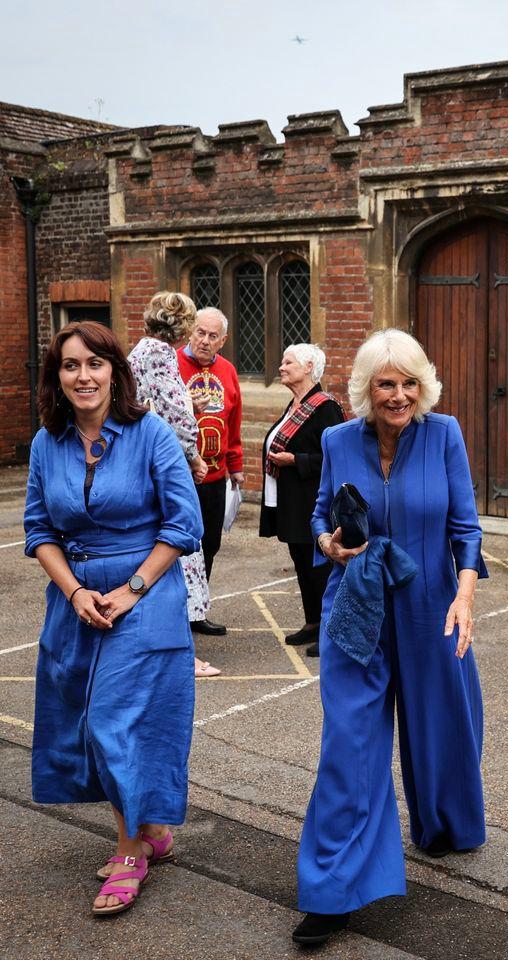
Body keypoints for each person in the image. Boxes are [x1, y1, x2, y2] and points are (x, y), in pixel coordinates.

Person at [293, 329, 487, 946]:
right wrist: (328, 543)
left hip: (434, 605)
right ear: (366, 389)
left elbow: (466, 526)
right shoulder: (336, 439)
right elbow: (320, 513)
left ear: (422, 387)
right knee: (349, 742)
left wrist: (464, 594)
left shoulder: (445, 433)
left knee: (441, 727)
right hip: (358, 610)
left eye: (409, 383)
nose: (399, 395)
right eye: (386, 384)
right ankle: (332, 889)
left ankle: (444, 825)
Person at [24, 321, 202, 916]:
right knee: (83, 720)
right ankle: (151, 827)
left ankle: (130, 852)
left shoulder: (150, 433)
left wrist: (130, 590)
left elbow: (184, 526)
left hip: (145, 596)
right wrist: (75, 591)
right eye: (71, 366)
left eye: (95, 364)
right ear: (57, 378)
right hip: (75, 599)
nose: (84, 376)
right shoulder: (46, 443)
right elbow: (39, 530)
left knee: (112, 720)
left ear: (115, 372)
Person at [129, 291, 220, 678]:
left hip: (140, 462)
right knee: (179, 549)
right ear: (183, 326)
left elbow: (154, 401)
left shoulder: (139, 350)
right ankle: (183, 654)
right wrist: (194, 456)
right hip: (159, 469)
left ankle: (159, 647)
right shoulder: (160, 353)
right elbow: (174, 414)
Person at [259, 344, 345, 657]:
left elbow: (337, 457)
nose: (280, 367)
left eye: (288, 362)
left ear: (308, 367)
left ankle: (329, 630)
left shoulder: (325, 407)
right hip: (292, 501)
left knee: (320, 568)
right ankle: (312, 622)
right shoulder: (295, 404)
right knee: (302, 565)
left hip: (313, 502)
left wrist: (296, 460)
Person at [177, 307, 244, 635]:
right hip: (179, 477)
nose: (204, 341)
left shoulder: (229, 371)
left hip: (215, 478)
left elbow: (234, 423)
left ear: (223, 340)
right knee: (178, 546)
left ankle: (196, 610)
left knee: (209, 544)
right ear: (190, 331)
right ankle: (174, 612)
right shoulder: (171, 364)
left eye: (212, 336)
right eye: (200, 333)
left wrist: (236, 466)